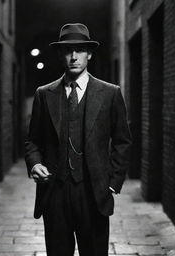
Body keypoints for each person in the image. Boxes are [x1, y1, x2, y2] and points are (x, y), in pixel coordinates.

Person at [25, 23, 131, 256]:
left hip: (94, 194)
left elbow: (122, 141)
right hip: (55, 192)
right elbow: (32, 141)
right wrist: (35, 163)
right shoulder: (44, 94)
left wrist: (112, 183)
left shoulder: (110, 93)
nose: (74, 57)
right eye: (67, 50)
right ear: (60, 54)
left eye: (80, 50)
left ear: (89, 53)